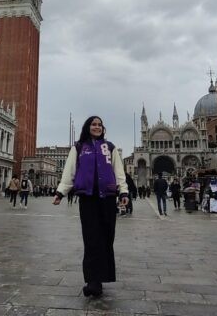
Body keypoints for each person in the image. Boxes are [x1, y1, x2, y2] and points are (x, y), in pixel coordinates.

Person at [52, 115, 129, 298]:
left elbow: (119, 173)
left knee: (106, 238)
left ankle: (102, 278)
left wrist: (124, 192)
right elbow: (69, 172)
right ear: (88, 127)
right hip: (88, 199)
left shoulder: (110, 147)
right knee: (91, 239)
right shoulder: (78, 147)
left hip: (108, 198)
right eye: (93, 124)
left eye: (100, 124)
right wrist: (60, 193)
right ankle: (93, 281)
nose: (97, 127)